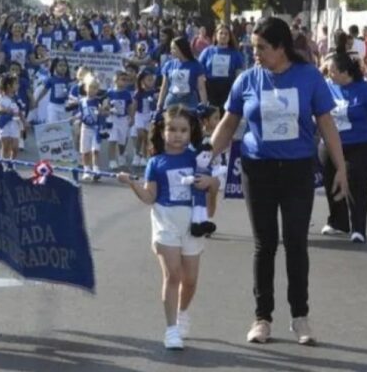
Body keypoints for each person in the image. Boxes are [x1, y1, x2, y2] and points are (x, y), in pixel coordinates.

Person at [209, 17, 349, 346]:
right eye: (252, 47)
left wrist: (341, 168)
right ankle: (262, 318)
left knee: (296, 243)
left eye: (261, 48)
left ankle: (300, 317)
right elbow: (229, 125)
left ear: (281, 48)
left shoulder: (310, 77)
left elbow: (326, 124)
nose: (254, 53)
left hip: (298, 170)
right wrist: (204, 157)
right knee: (264, 245)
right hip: (257, 170)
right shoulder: (247, 80)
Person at [117, 106, 220, 350]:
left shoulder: (198, 158)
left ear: (191, 131)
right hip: (165, 222)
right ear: (162, 131)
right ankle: (171, 329)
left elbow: (211, 201)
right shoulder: (155, 162)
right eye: (171, 129)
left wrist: (212, 184)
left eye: (183, 130)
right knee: (172, 275)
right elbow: (149, 197)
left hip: (192, 223)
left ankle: (183, 312)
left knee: (191, 280)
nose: (177, 135)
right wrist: (132, 183)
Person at [321, 51, 367, 243]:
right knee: (330, 181)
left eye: (333, 71)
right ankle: (338, 221)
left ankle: (358, 227)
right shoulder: (326, 87)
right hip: (331, 144)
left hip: (361, 145)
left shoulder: (365, 89)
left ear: (346, 73)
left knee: (355, 181)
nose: (330, 74)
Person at [198, 25, 244, 110]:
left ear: (229, 37)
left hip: (228, 88)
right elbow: (199, 71)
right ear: (216, 35)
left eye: (226, 34)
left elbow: (239, 75)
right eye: (221, 33)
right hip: (210, 89)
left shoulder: (235, 54)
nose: (223, 36)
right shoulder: (207, 51)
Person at [158, 36, 207, 111]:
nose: (171, 51)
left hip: (190, 101)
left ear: (182, 49)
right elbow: (164, 86)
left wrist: (204, 104)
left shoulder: (196, 65)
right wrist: (159, 103)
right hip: (172, 101)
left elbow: (201, 88)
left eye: (174, 48)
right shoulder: (169, 64)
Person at [106, 71, 134, 169]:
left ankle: (121, 155)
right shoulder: (109, 92)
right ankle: (112, 160)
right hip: (113, 119)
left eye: (126, 80)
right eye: (122, 79)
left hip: (123, 119)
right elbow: (106, 105)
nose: (125, 82)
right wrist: (109, 109)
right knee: (112, 139)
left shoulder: (127, 94)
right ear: (116, 80)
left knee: (122, 140)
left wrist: (132, 117)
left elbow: (130, 106)